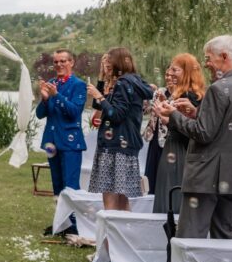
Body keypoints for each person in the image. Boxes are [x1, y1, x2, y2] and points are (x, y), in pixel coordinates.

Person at [155, 35, 232, 240]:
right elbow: (226, 127)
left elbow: (203, 133)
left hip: (205, 175)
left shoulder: (218, 88)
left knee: (190, 235)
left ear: (224, 56)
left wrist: (172, 115)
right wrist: (195, 113)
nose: (206, 64)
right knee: (226, 235)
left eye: (209, 58)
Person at [86, 48, 154, 211]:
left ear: (119, 64)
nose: (106, 68)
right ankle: (124, 236)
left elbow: (116, 114)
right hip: (124, 147)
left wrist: (98, 95)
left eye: (109, 65)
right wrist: (102, 79)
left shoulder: (123, 84)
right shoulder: (132, 81)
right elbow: (99, 106)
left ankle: (109, 237)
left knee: (110, 201)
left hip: (114, 148)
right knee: (123, 201)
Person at [35, 49, 87, 235]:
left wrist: (56, 95)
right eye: (56, 62)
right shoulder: (50, 84)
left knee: (70, 185)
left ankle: (74, 225)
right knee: (57, 184)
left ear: (71, 62)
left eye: (63, 61)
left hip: (71, 142)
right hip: (52, 142)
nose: (59, 65)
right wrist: (44, 98)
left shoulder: (78, 85)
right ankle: (61, 223)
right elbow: (40, 114)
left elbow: (74, 112)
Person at [152, 53, 206, 214]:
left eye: (175, 70)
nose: (170, 73)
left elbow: (190, 129)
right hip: (173, 146)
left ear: (187, 72)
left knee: (174, 194)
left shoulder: (189, 96)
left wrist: (166, 118)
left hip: (180, 149)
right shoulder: (180, 93)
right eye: (170, 70)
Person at [143, 67, 173, 196]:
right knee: (151, 172)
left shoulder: (180, 95)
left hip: (169, 139)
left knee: (164, 173)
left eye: (171, 75)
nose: (168, 77)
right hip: (154, 137)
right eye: (166, 75)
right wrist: (145, 99)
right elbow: (147, 110)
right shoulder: (159, 91)